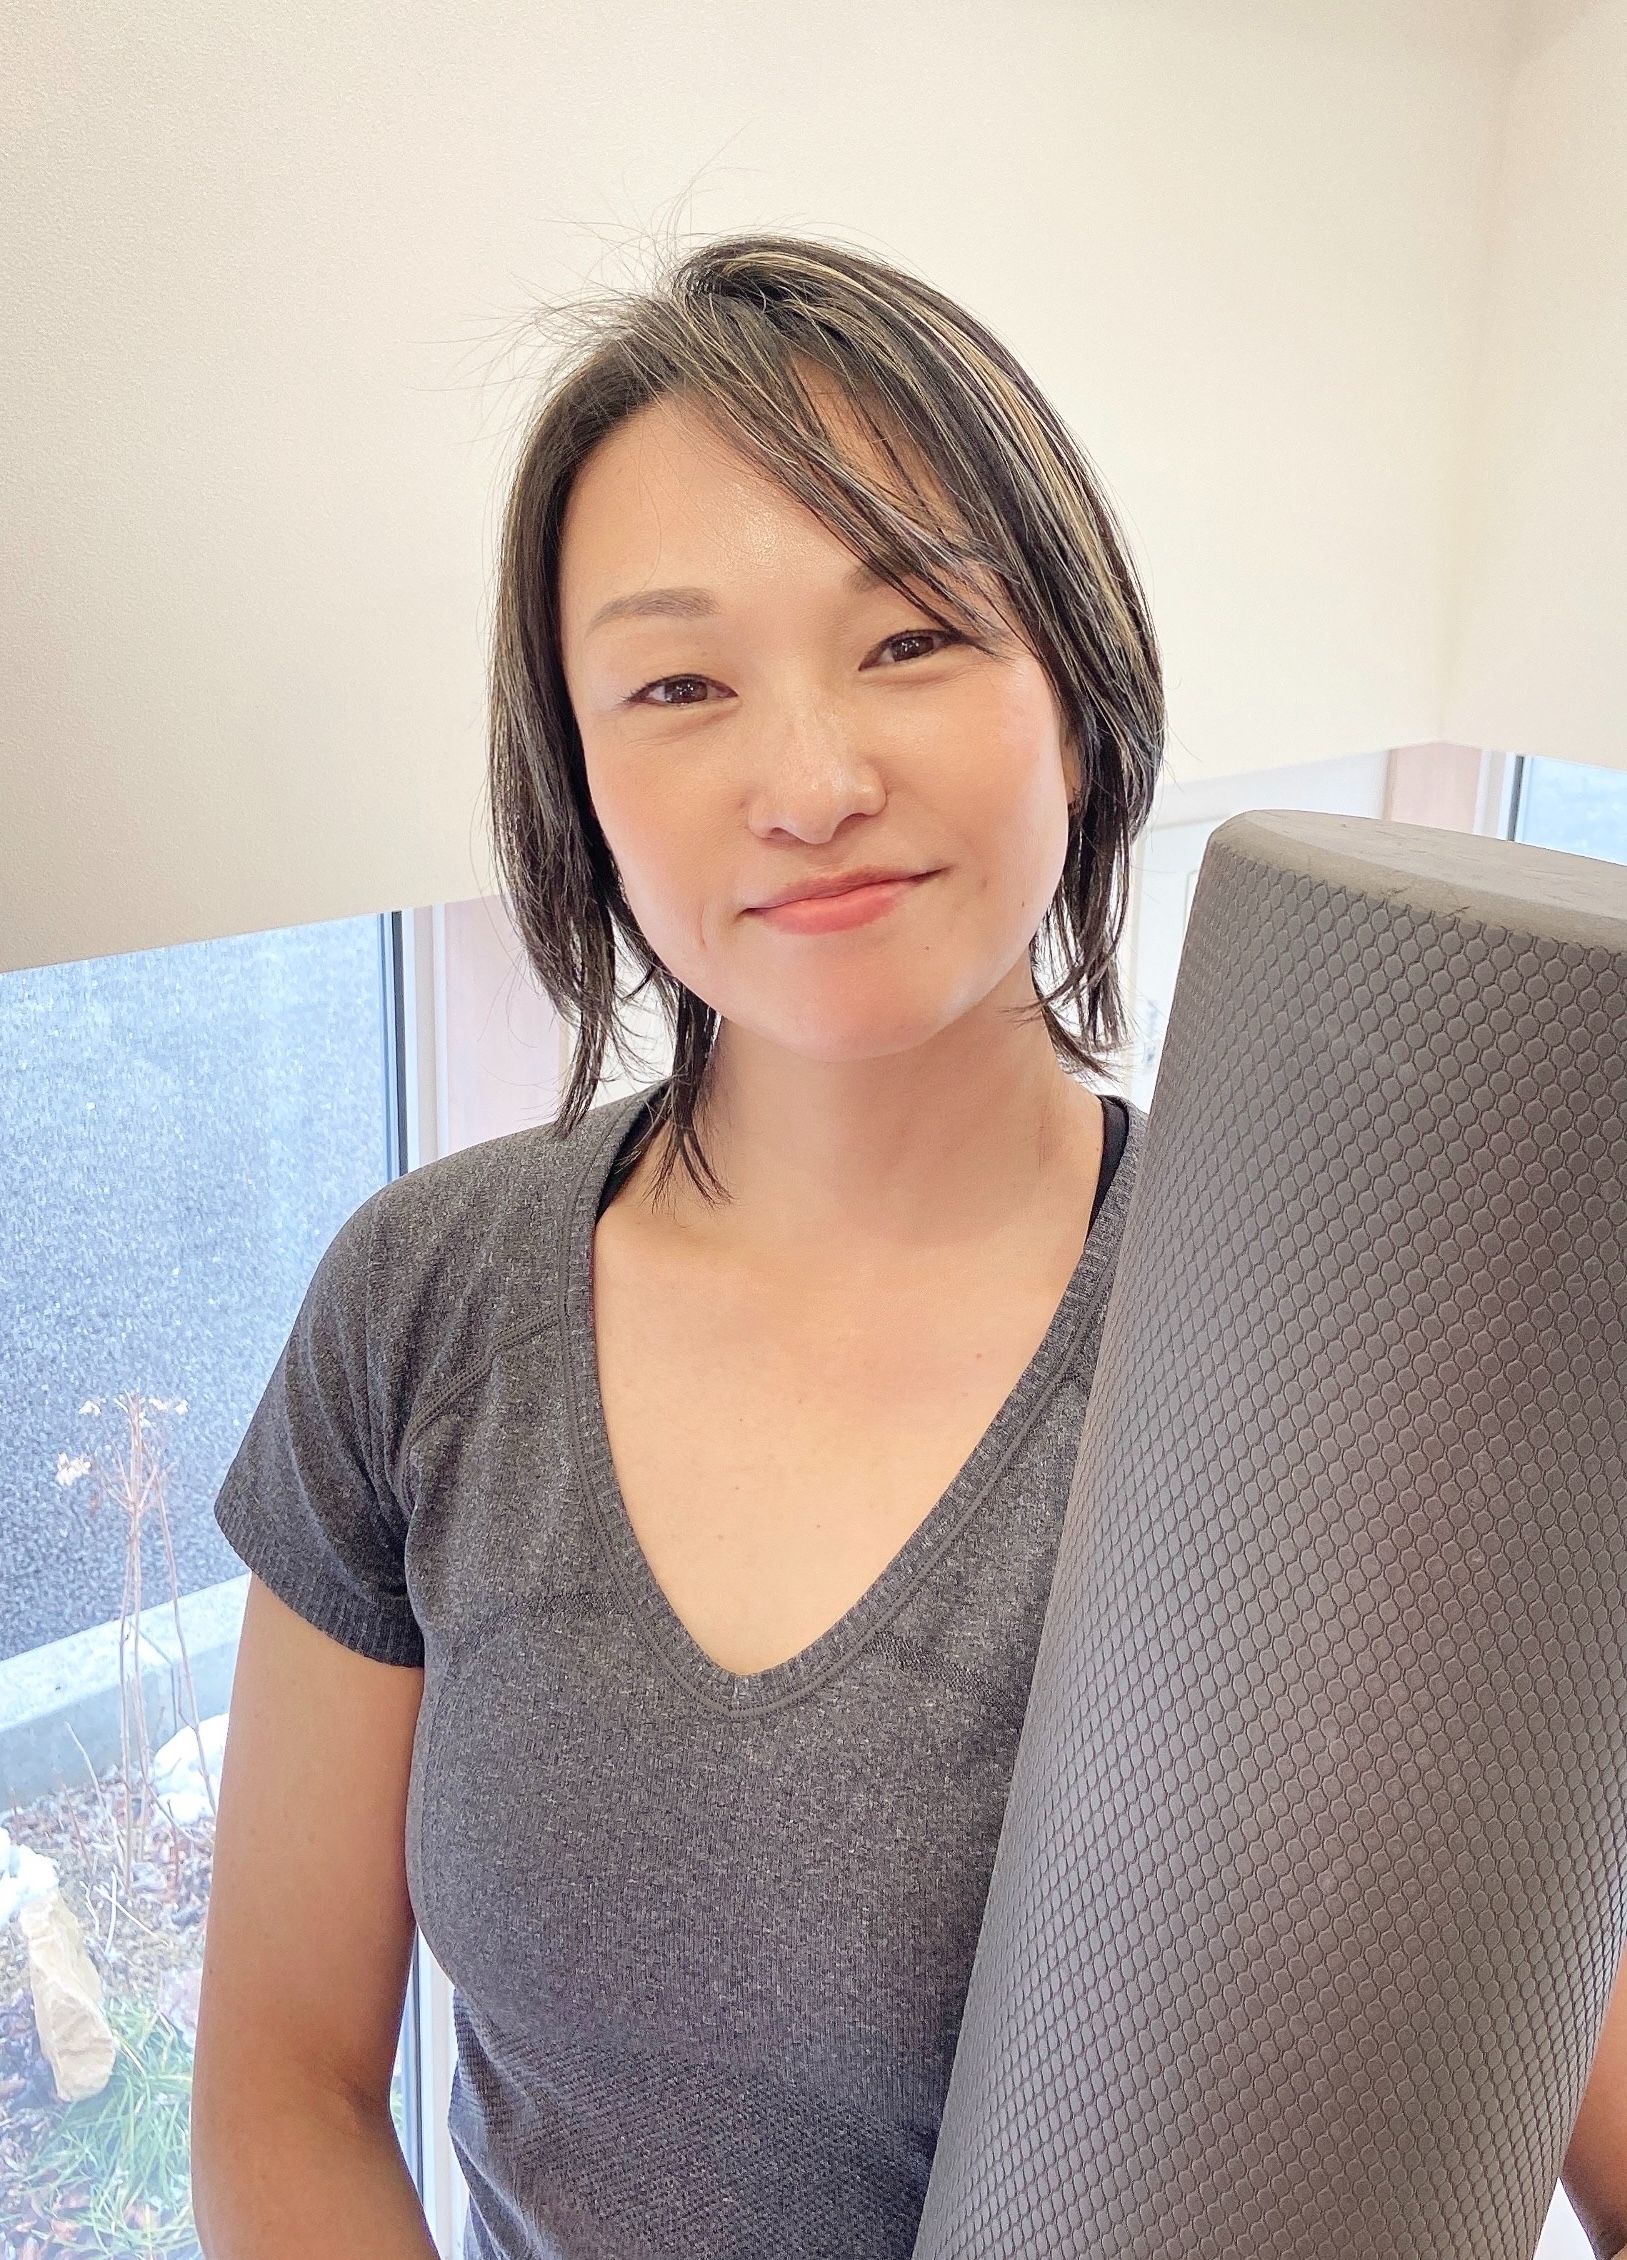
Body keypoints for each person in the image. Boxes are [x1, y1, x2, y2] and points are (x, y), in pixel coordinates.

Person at [189, 231, 1627, 2260]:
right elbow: (287, 2084)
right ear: (580, 775)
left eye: (913, 638)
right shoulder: (419, 1305)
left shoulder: (1332, 1382)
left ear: (1077, 698)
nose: (810, 783)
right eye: (679, 684)